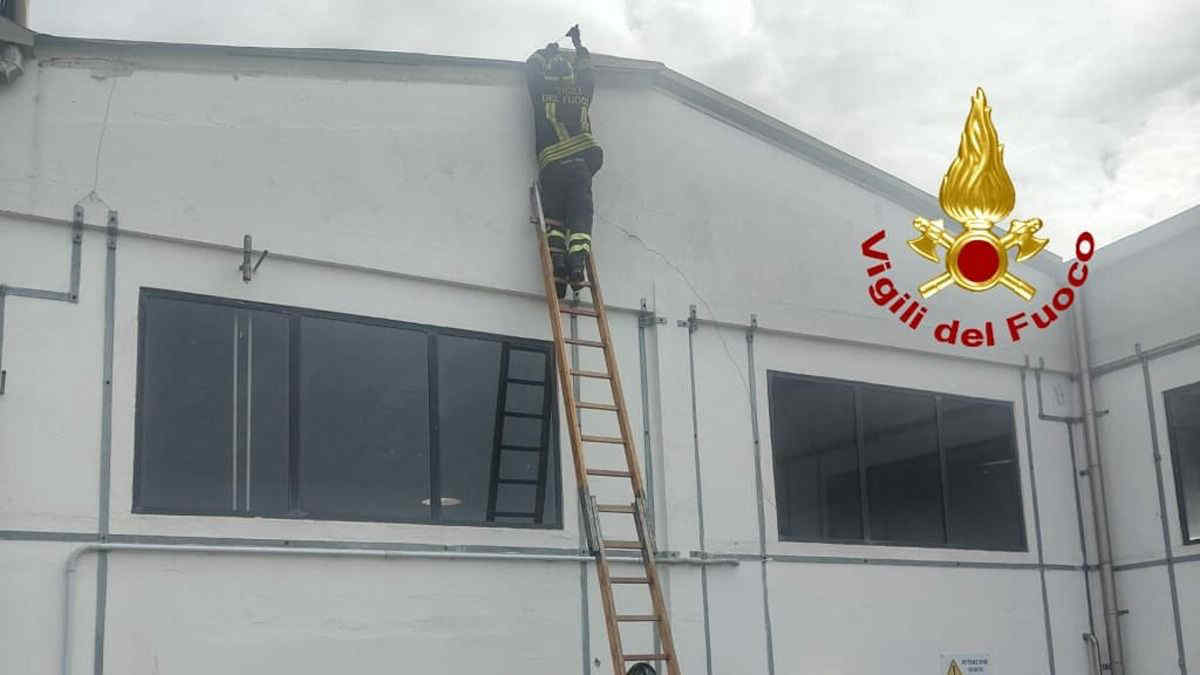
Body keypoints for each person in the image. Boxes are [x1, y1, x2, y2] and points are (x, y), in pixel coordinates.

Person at [525, 24, 603, 298]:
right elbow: (588, 70)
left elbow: (531, 66)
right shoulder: (581, 90)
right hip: (580, 166)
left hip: (552, 167)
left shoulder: (541, 90)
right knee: (580, 216)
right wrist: (579, 45)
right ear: (570, 76)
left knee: (555, 218)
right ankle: (577, 264)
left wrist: (546, 52)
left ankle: (558, 264)